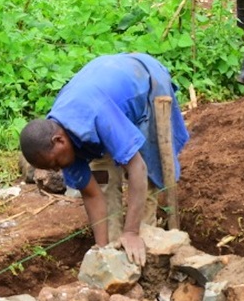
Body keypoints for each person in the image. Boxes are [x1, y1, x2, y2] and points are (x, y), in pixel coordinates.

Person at [19, 53, 189, 267]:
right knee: (103, 179)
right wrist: (101, 251)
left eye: (56, 164)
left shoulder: (97, 114)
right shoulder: (59, 144)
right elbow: (92, 194)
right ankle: (114, 251)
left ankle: (146, 252)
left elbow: (137, 167)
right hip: (104, 94)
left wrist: (131, 232)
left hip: (144, 84)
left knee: (147, 174)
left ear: (59, 140)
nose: (58, 170)